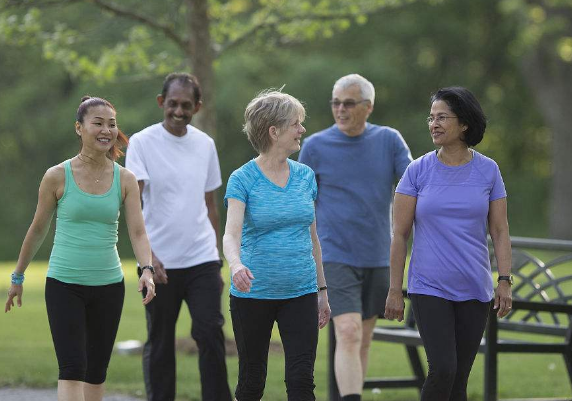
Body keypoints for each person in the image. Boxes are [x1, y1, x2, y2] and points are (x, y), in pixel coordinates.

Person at [5, 96, 156, 401]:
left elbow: (138, 231)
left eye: (111, 124)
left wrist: (147, 270)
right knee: (72, 367)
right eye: (98, 123)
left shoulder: (124, 178)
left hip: (109, 286)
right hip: (64, 285)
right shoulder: (56, 176)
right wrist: (18, 276)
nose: (106, 130)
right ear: (79, 128)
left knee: (96, 372)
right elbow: (37, 229)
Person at [384, 86, 513, 400]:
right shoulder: (417, 171)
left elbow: (499, 230)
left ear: (464, 124)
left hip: (474, 289)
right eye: (431, 118)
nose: (433, 124)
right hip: (429, 287)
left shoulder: (488, 170)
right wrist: (395, 289)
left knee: (458, 381)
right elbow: (399, 234)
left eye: (442, 117)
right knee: (443, 369)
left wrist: (505, 281)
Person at [298, 74, 412, 401]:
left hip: (378, 255)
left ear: (368, 106)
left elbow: (415, 185)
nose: (340, 109)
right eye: (336, 102)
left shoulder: (389, 140)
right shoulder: (315, 146)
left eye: (348, 103)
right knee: (347, 332)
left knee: (361, 339)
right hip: (333, 255)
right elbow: (301, 201)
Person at [125, 72, 232, 401]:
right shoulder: (142, 143)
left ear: (197, 107)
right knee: (159, 340)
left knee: (210, 333)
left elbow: (210, 205)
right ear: (162, 103)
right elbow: (133, 208)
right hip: (159, 264)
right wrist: (148, 259)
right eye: (172, 103)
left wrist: (215, 259)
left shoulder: (205, 144)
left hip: (201, 259)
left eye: (187, 105)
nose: (179, 110)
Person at [223, 90, 331, 401]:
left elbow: (313, 239)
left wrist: (322, 292)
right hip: (253, 295)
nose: (302, 130)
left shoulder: (305, 176)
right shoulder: (242, 179)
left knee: (301, 382)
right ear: (274, 131)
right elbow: (231, 234)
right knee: (252, 382)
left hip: (300, 292)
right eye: (296, 124)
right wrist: (237, 264)